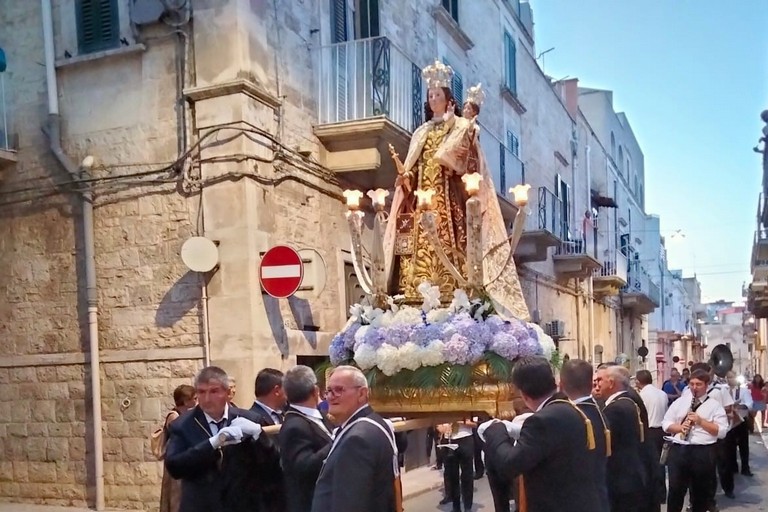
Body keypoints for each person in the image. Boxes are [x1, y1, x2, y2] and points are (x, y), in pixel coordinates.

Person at [383, 62, 527, 320]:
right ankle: (414, 289)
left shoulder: (460, 125)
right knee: (418, 244)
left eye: (438, 94)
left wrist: (464, 135)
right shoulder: (421, 132)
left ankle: (458, 286)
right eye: (430, 95)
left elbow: (470, 163)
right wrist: (406, 177)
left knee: (453, 241)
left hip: (449, 200)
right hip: (421, 201)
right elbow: (414, 167)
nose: (433, 98)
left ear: (448, 98)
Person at [479, 356, 602, 512]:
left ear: (523, 394)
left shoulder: (542, 420)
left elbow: (509, 465)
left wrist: (495, 430)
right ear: (556, 384)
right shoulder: (571, 408)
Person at [164, 366, 283, 512]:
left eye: (214, 391)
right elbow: (174, 466)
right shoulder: (182, 425)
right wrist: (213, 443)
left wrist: (259, 435)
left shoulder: (249, 419)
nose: (207, 399)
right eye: (201, 392)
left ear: (227, 393)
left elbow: (273, 464)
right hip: (201, 506)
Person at [311, 365, 399, 512]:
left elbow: (350, 504)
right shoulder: (372, 423)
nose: (331, 397)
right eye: (329, 391)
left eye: (339, 390)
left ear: (362, 394)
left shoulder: (357, 439)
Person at [662, 369, 728, 512]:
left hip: (703, 451)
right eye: (691, 384)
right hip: (679, 450)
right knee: (675, 491)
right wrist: (679, 428)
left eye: (698, 384)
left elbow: (722, 432)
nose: (694, 387)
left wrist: (700, 421)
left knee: (700, 492)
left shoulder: (714, 406)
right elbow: (666, 423)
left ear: (706, 385)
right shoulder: (680, 402)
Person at [278, 365, 334, 512]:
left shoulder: (321, 416)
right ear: (316, 391)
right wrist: (337, 441)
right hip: (309, 504)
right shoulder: (294, 426)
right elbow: (304, 468)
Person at [593, 364, 648, 512]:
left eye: (600, 380)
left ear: (611, 383)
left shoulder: (616, 408)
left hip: (620, 480)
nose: (597, 385)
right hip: (630, 477)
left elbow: (604, 442)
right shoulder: (627, 402)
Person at [560, 360, 610, 512]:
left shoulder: (563, 416)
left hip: (574, 500)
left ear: (561, 385)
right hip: (599, 496)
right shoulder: (601, 411)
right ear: (591, 385)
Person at [159, 384, 196, 512]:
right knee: (176, 496)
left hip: (185, 461)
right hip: (176, 462)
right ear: (186, 401)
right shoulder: (174, 416)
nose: (197, 402)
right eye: (194, 399)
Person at [636, 369, 669, 506]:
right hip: (662, 430)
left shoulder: (641, 396)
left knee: (650, 464)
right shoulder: (662, 394)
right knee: (661, 463)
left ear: (638, 381)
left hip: (649, 431)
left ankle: (652, 493)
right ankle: (662, 494)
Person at [443, 417, 477, 512]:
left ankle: (467, 506)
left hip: (465, 438)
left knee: (467, 475)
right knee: (452, 476)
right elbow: (436, 420)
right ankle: (456, 507)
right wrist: (439, 426)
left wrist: (460, 420)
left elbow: (474, 424)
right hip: (449, 439)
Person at [725, 371, 753, 477]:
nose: (729, 379)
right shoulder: (724, 390)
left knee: (743, 445)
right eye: (728, 377)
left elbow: (750, 404)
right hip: (729, 421)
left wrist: (739, 406)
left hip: (741, 420)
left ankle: (745, 468)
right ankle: (733, 467)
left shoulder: (743, 391)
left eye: (731, 377)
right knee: (730, 445)